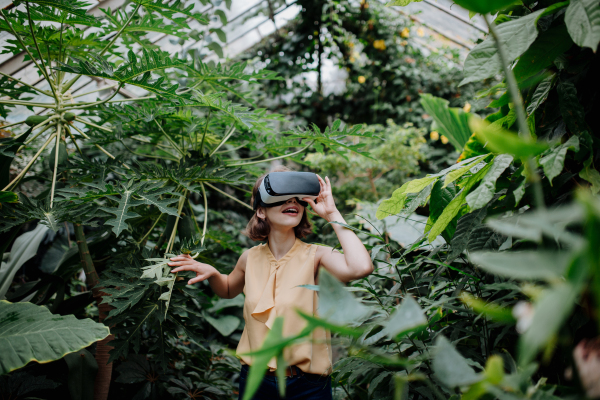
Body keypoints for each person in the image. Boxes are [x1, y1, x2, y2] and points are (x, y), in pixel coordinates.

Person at [168, 166, 374, 399]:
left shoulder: (318, 256)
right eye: (282, 197)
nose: (292, 201)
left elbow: (360, 267)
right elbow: (227, 289)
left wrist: (332, 213)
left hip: (308, 386)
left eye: (298, 198)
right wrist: (214, 273)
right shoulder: (249, 258)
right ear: (261, 211)